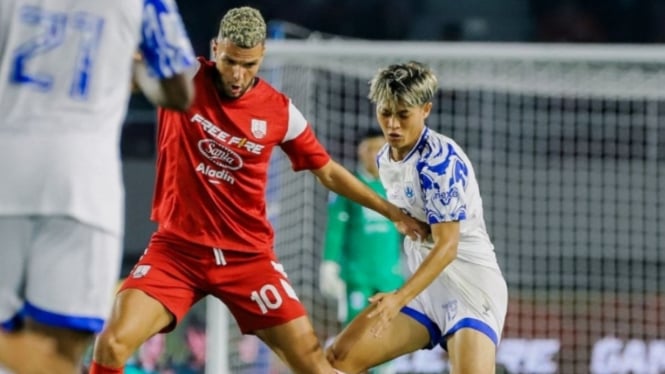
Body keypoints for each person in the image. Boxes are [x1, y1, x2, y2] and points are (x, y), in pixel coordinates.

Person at [89, 6, 426, 374]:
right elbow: (130, 75)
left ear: (262, 55)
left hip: (247, 259)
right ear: (215, 48)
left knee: (314, 366)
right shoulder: (181, 79)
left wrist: (391, 210)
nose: (237, 74)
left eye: (248, 64)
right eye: (230, 61)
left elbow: (327, 172)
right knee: (111, 344)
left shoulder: (280, 112)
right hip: (178, 253)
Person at [0, 0, 195, 372]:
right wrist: (131, 66)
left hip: (6, 170)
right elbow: (179, 91)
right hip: (83, 185)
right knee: (62, 352)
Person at [326, 61, 508, 374]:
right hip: (425, 289)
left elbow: (447, 247)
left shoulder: (439, 164)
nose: (392, 125)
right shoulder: (386, 157)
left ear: (425, 110)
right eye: (386, 113)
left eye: (403, 114)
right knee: (339, 358)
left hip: (469, 288)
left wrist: (399, 297)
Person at [320, 128, 404, 374]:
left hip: (389, 277)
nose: (376, 154)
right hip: (357, 278)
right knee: (355, 335)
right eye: (370, 149)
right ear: (360, 152)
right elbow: (335, 228)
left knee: (387, 335)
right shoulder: (348, 185)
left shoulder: (395, 187)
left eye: (381, 149)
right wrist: (329, 264)